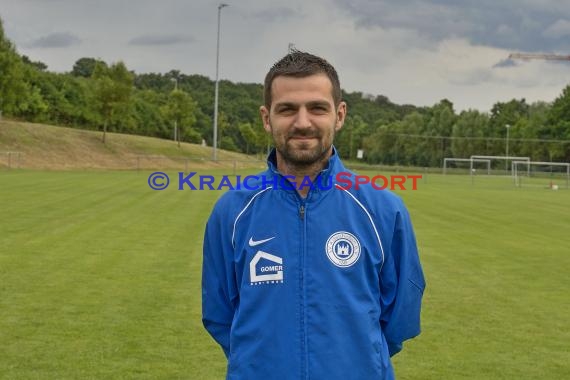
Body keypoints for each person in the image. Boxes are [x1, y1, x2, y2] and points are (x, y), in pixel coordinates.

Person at [202, 50, 425, 379]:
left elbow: (400, 317)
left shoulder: (383, 209)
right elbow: (220, 315)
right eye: (287, 109)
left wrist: (354, 360)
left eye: (317, 108)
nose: (302, 122)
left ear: (339, 114)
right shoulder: (232, 211)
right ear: (267, 118)